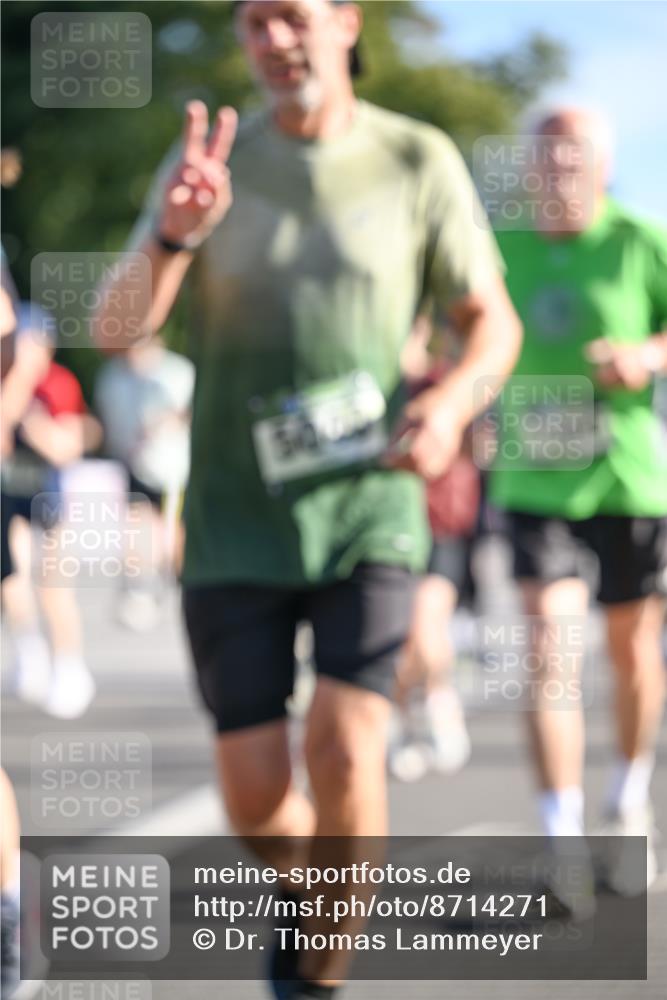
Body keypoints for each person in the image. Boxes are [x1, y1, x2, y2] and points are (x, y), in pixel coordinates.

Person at [94, 1, 522, 996]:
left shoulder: (416, 158)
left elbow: (488, 320)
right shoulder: (210, 159)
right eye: (252, 23)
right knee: (257, 800)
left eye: (291, 16)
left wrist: (454, 401)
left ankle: (317, 974)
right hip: (236, 519)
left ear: (343, 21)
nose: (274, 40)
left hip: (371, 502)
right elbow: (115, 330)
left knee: (346, 740)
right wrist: (172, 235)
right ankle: (314, 894)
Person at [490, 107, 667, 895]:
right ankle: (559, 838)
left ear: (600, 166)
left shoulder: (639, 240)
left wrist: (643, 354)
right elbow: (461, 331)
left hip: (626, 477)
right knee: (546, 654)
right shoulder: (499, 249)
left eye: (571, 158)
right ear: (527, 168)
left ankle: (627, 799)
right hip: (533, 478)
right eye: (543, 158)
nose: (556, 172)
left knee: (630, 653)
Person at [389, 315, 477, 782]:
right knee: (403, 639)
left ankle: (441, 703)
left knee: (427, 626)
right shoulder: (384, 385)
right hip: (392, 523)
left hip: (443, 522)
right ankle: (401, 717)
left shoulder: (453, 385)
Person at [1, 323, 101, 718]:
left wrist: (38, 426)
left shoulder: (59, 383)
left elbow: (67, 447)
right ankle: (29, 649)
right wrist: (18, 383)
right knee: (14, 578)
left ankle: (70, 663)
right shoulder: (11, 383)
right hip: (10, 491)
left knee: (54, 583)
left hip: (47, 493)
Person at [94, 335, 195, 630]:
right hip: (136, 466)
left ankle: (184, 583)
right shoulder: (112, 377)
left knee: (173, 534)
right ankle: (139, 591)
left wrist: (169, 421)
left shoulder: (178, 372)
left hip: (173, 469)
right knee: (138, 525)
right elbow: (109, 420)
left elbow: (192, 410)